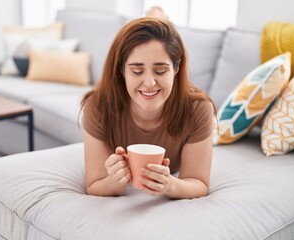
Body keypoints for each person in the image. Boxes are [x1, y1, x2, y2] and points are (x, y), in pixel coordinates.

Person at [81, 17, 215, 199]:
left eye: (160, 71)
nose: (150, 83)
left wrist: (170, 185)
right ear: (122, 70)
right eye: (137, 71)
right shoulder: (98, 106)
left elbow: (198, 182)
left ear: (176, 68)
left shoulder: (198, 109)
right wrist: (116, 180)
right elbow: (95, 185)